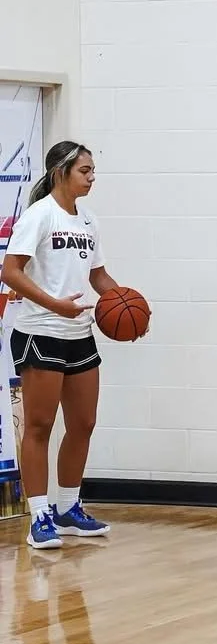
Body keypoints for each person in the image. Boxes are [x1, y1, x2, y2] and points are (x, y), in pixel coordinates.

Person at [0, 141, 123, 550]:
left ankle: (69, 507)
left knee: (83, 424)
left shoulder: (88, 220)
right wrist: (54, 304)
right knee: (39, 426)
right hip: (40, 330)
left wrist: (125, 302)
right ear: (61, 172)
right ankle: (39, 517)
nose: (91, 178)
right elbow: (10, 271)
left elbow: (99, 277)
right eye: (84, 170)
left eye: (93, 171)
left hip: (79, 332)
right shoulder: (39, 216)